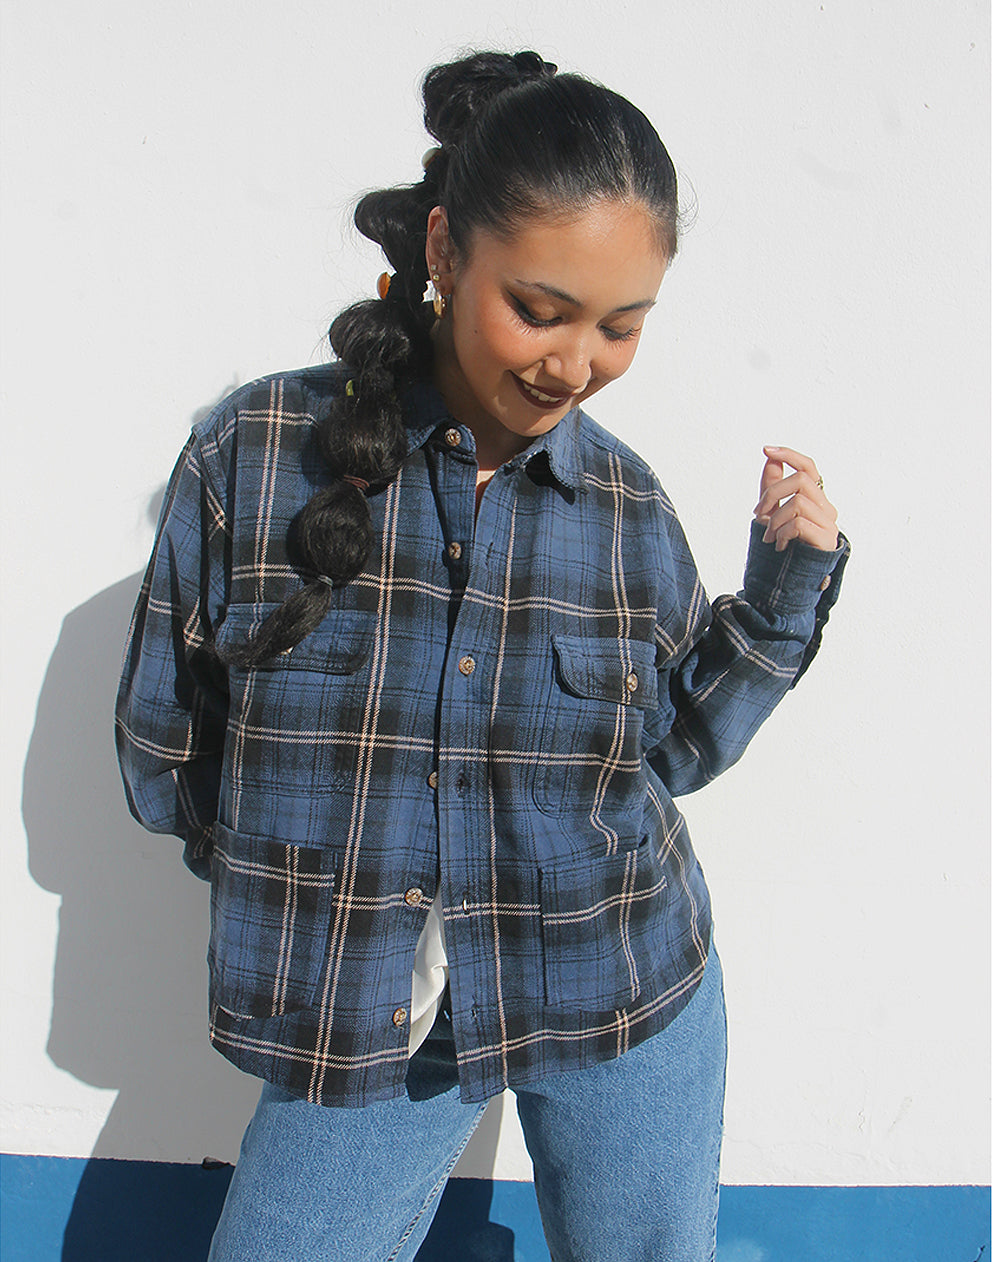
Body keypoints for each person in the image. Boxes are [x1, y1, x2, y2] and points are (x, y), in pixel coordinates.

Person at [116, 50, 848, 1262]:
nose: (575, 364)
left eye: (620, 325)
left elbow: (668, 746)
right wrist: (321, 902)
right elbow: (166, 745)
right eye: (541, 309)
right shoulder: (250, 458)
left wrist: (779, 592)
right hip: (370, 1017)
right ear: (446, 251)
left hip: (621, 977)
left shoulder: (622, 507)